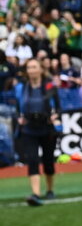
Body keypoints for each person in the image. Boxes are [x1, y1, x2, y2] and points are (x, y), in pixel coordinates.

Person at [13, 58, 61, 206]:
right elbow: (17, 108)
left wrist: (55, 116)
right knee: (32, 159)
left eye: (34, 67)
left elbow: (59, 107)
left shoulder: (49, 86)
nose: (32, 70)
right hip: (29, 128)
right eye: (29, 68)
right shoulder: (21, 88)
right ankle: (36, 193)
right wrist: (19, 118)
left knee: (48, 160)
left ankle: (50, 189)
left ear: (40, 69)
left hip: (46, 128)